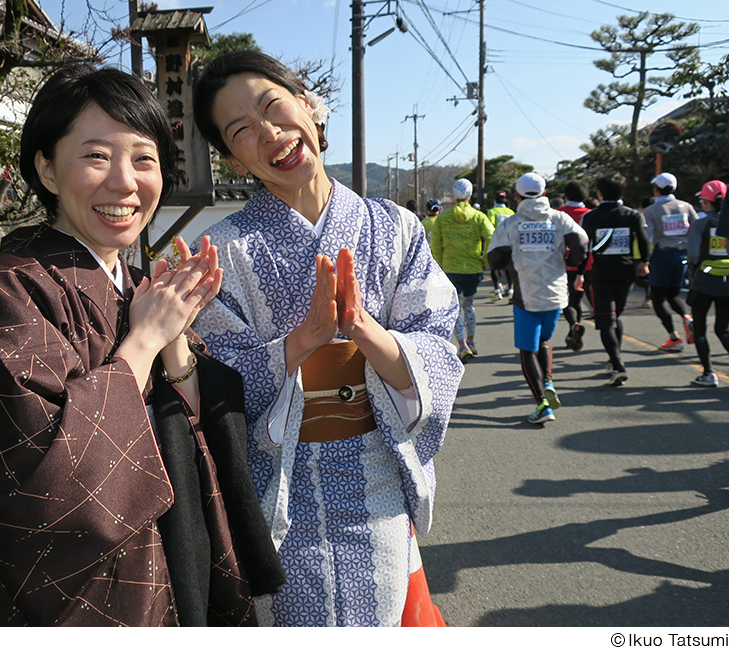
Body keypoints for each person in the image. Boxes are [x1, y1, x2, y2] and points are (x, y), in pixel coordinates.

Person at [0, 65, 284, 627]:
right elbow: (42, 487)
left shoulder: (141, 287)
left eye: (144, 159)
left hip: (168, 570)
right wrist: (144, 342)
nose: (124, 182)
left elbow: (199, 436)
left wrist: (176, 349)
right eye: (96, 156)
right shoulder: (5, 294)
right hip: (68, 600)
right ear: (46, 168)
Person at [191, 50, 464, 627]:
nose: (269, 134)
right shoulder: (220, 251)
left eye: (274, 107)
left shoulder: (396, 228)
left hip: (375, 480)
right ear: (233, 161)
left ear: (310, 107)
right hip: (276, 489)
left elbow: (438, 345)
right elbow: (211, 378)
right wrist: (303, 341)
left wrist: (363, 330)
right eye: (241, 131)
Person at [487, 173, 588, 424]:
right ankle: (549, 381)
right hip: (555, 293)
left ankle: (542, 404)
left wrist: (509, 263)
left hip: (526, 294)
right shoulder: (559, 218)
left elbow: (494, 257)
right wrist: (570, 262)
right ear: (544, 193)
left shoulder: (512, 223)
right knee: (544, 340)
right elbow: (582, 243)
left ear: (518, 195)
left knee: (526, 350)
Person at [578, 173, 650, 386]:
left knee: (606, 319)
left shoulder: (590, 217)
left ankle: (617, 363)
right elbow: (644, 239)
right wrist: (644, 262)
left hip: (601, 271)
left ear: (599, 193)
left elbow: (585, 247)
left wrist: (580, 273)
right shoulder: (632, 215)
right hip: (626, 271)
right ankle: (614, 359)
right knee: (615, 315)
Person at [430, 177, 495, 360]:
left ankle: (462, 344)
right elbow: (491, 236)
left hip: (450, 268)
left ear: (454, 195)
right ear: (469, 195)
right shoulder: (479, 217)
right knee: (469, 305)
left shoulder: (443, 218)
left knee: (455, 308)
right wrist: (484, 259)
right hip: (473, 268)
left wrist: (441, 264)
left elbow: (436, 245)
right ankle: (472, 341)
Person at [644, 172, 699, 351]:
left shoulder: (651, 210)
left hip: (663, 254)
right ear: (674, 188)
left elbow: (648, 236)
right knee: (673, 294)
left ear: (657, 190)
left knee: (658, 298)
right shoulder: (686, 206)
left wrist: (645, 259)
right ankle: (686, 317)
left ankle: (674, 337)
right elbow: (697, 229)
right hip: (683, 255)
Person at [686, 180, 729, 387]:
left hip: (704, 280)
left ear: (705, 201)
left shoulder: (700, 224)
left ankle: (709, 373)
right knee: (723, 329)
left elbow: (693, 254)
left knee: (700, 329)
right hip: (727, 280)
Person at [556, 180, 593, 350]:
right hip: (587, 264)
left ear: (566, 196)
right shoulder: (591, 213)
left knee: (566, 301)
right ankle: (574, 333)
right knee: (577, 299)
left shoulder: (557, 213)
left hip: (563, 262)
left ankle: (574, 325)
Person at [486, 189, 515, 302]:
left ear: (494, 199)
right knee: (509, 266)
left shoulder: (492, 212)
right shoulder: (511, 212)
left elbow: (491, 226)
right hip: (510, 242)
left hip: (497, 243)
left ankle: (497, 290)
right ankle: (511, 291)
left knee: (494, 266)